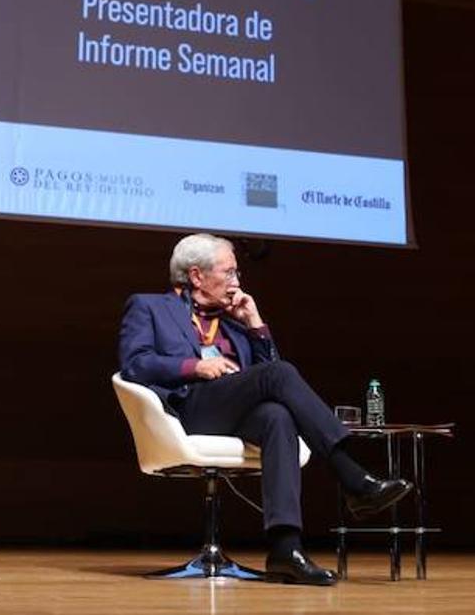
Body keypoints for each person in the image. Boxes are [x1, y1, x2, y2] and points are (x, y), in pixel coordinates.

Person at [119, 233, 412, 586]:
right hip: (186, 411)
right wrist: (192, 367)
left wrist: (255, 324)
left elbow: (272, 380)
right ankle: (352, 478)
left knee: (278, 415)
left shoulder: (233, 322)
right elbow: (135, 364)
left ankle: (285, 550)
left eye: (237, 274)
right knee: (280, 375)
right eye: (228, 273)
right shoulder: (149, 306)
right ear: (196, 276)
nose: (236, 283)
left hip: (232, 412)